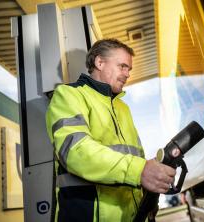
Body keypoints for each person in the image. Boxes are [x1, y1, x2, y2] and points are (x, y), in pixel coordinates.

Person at [45, 39, 176, 222]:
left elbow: (137, 158)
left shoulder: (123, 109)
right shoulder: (68, 95)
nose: (127, 74)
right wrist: (139, 170)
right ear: (99, 62)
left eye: (129, 69)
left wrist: (148, 196)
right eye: (122, 66)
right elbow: (76, 151)